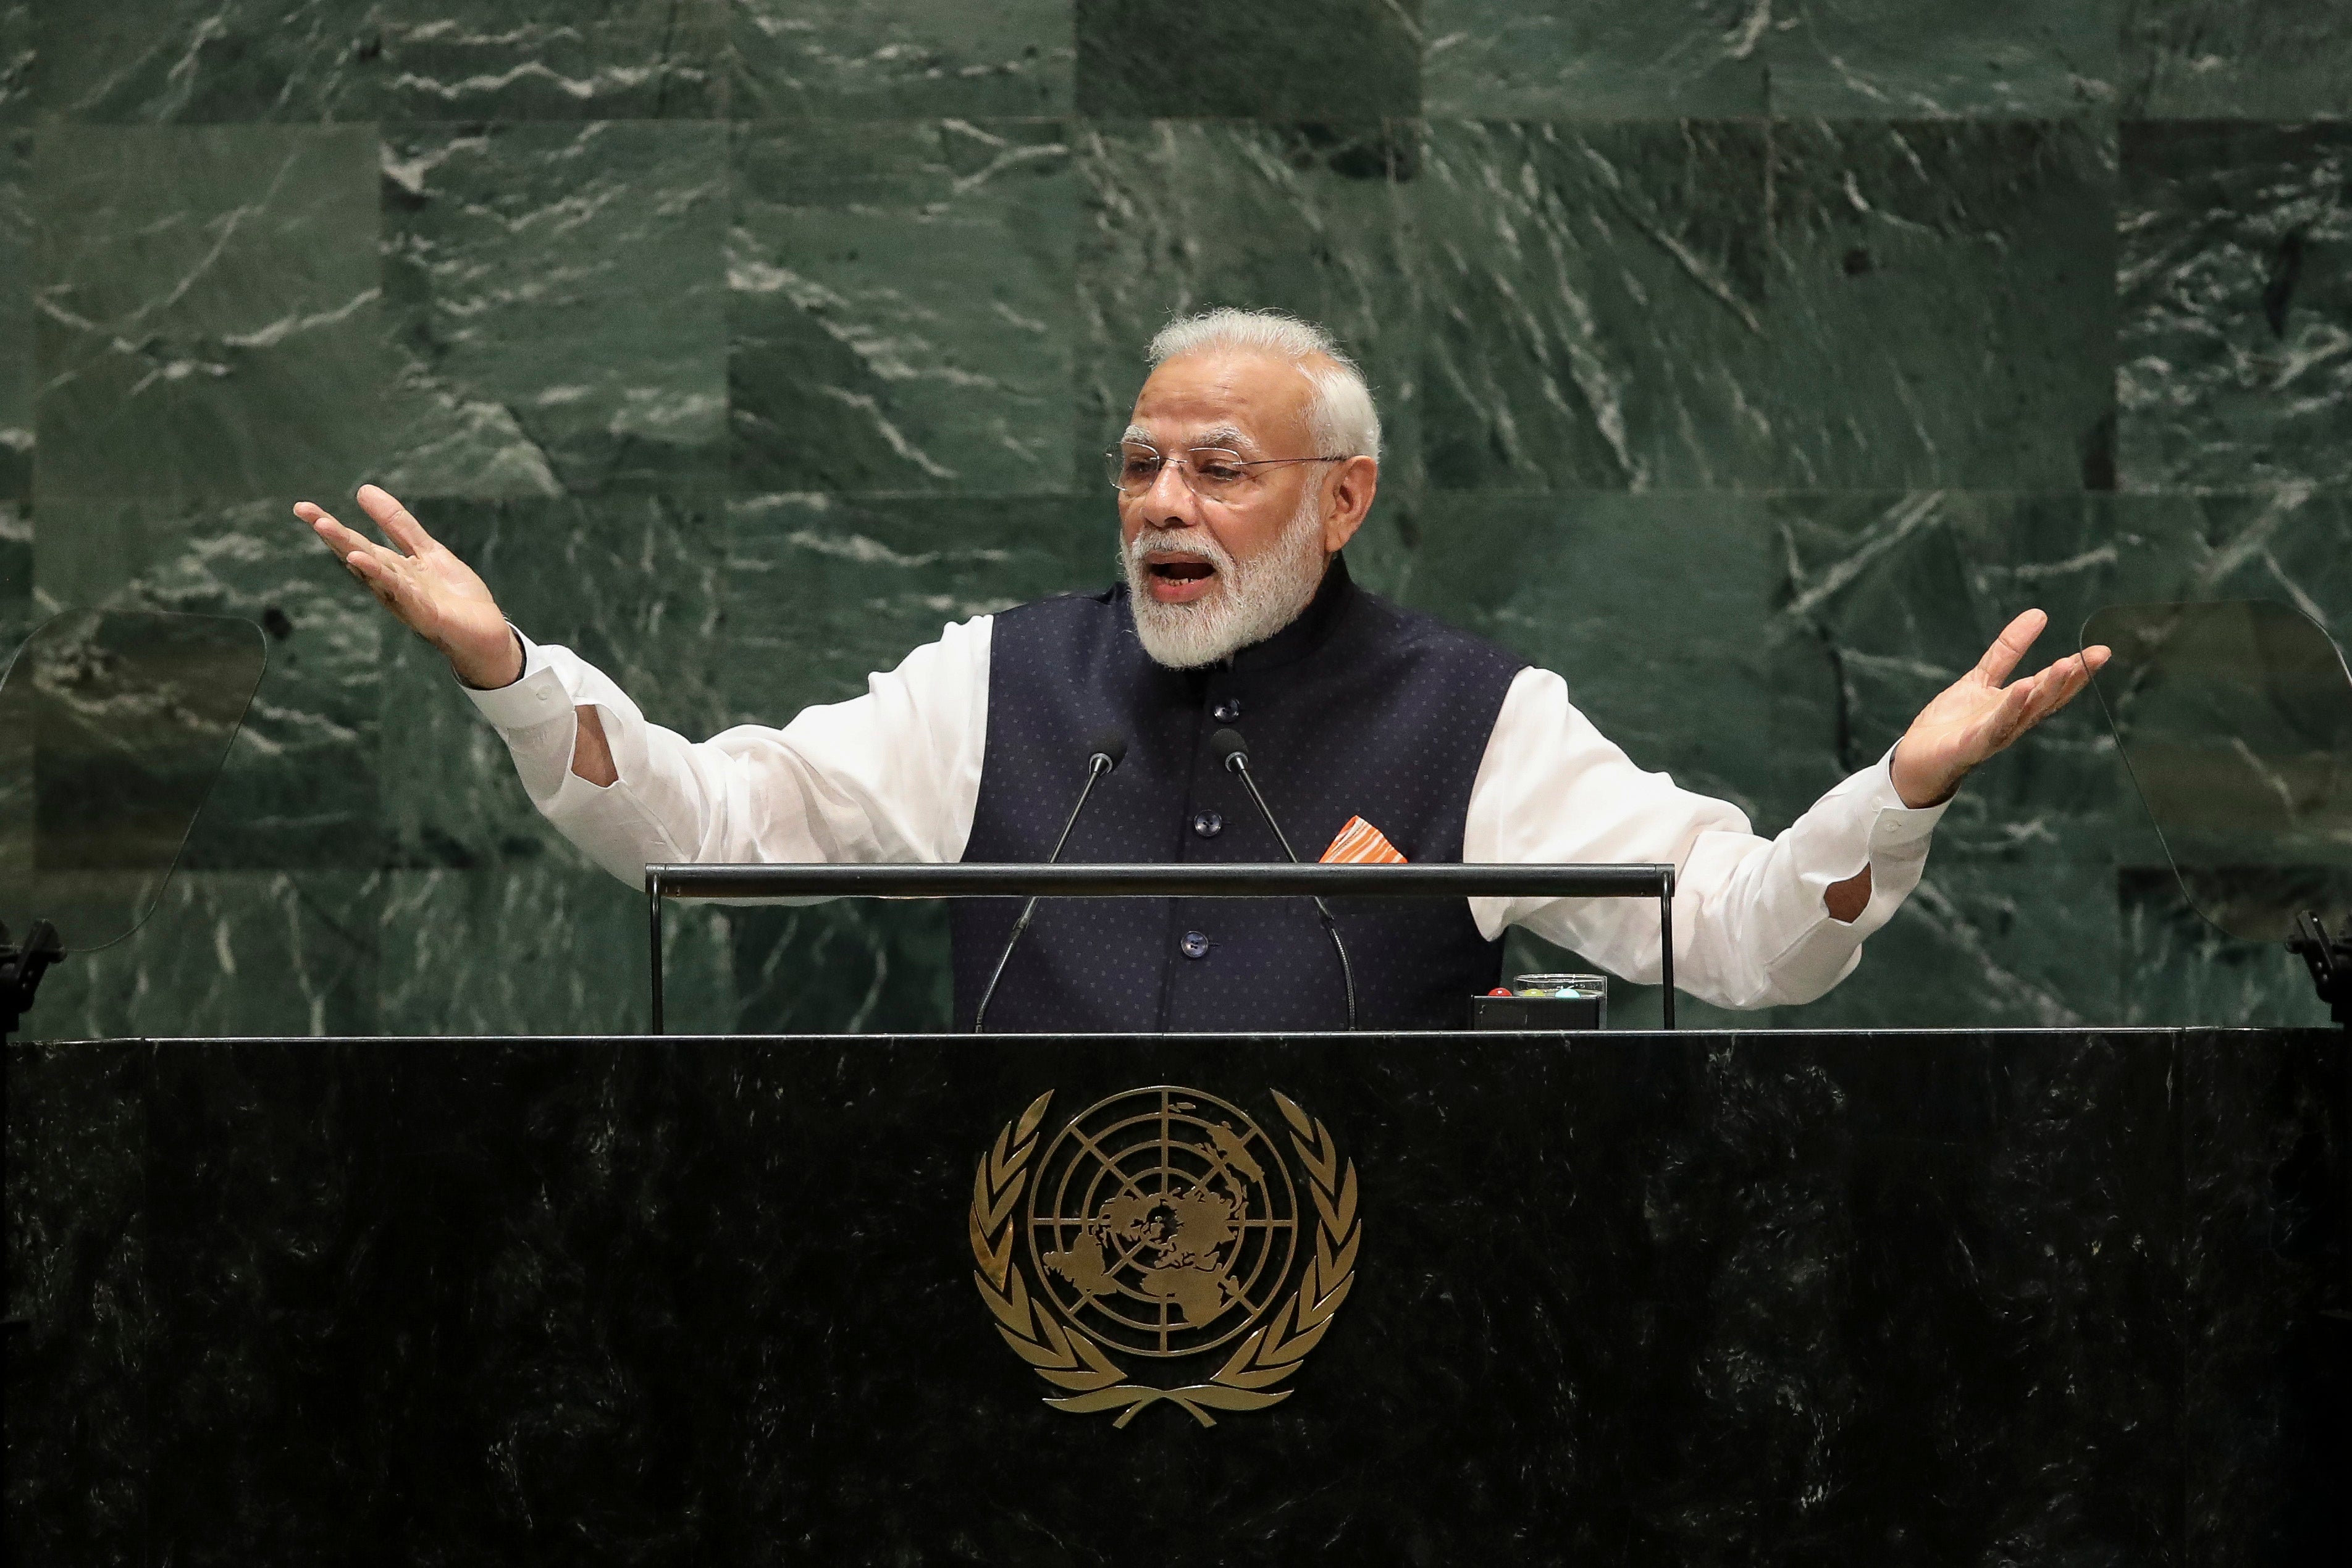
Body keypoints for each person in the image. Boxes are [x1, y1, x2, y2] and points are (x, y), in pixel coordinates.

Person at [298, 308, 2108, 1032]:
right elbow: (702, 828)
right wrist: (516, 670)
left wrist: (1904, 791)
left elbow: (1742, 936)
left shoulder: (1476, 716)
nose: (1166, 503)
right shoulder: (991, 684)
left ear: (1344, 497)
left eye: (1219, 471)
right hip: (1006, 1340)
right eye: (1143, 464)